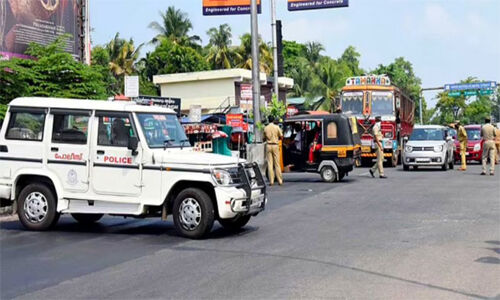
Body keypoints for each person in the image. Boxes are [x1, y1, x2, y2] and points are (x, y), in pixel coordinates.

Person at [264, 116, 283, 186]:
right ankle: (280, 180)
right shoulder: (277, 127)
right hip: (275, 145)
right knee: (277, 164)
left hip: (268, 145)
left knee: (270, 164)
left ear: (268, 120)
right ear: (273, 120)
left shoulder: (266, 128)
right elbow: (281, 136)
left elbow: (264, 138)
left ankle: (271, 181)